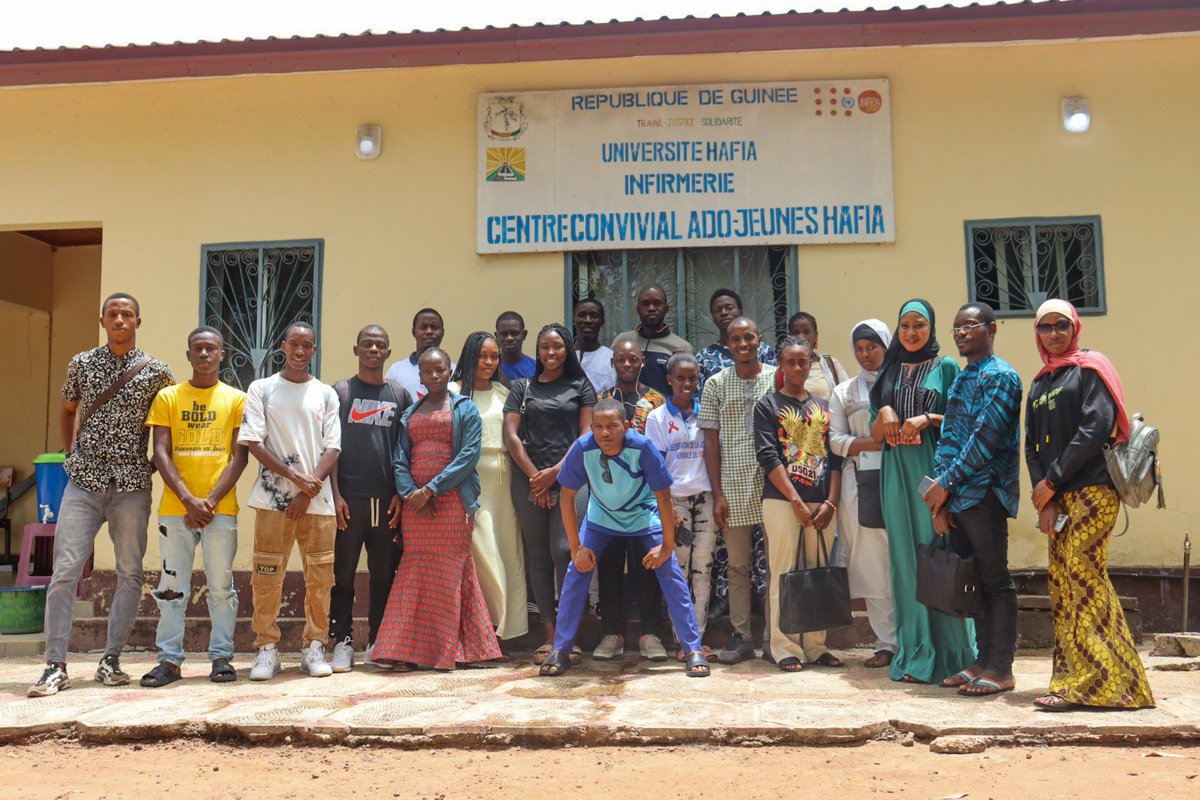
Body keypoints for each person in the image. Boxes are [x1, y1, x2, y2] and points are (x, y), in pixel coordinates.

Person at [29, 293, 175, 698]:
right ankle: (55, 665)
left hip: (131, 485)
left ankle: (111, 659)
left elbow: (166, 427)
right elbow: (68, 409)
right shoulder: (82, 363)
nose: (120, 319)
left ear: (138, 322)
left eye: (127, 314)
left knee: (130, 572)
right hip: (84, 483)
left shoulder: (158, 373)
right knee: (65, 572)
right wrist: (71, 453)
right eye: (113, 314)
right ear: (103, 320)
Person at [1024, 299, 1154, 712]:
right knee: (1064, 586)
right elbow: (1031, 445)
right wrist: (1043, 496)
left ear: (1075, 327)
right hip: (1058, 499)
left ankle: (1101, 681)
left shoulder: (1089, 369)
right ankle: (1098, 682)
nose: (1055, 333)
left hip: (1093, 492)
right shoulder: (1041, 382)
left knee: (1083, 576)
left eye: (1062, 325)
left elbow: (1095, 426)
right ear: (1038, 333)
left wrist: (1052, 480)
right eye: (1046, 327)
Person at [538, 398, 711, 678]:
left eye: (612, 426)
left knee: (670, 571)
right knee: (577, 571)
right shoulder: (583, 448)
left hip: (643, 515)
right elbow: (567, 497)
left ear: (627, 426)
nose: (605, 433)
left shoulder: (642, 447)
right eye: (598, 427)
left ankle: (693, 649)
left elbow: (663, 497)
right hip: (601, 518)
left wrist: (666, 547)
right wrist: (576, 547)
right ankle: (560, 649)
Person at [373, 349, 502, 670]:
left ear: (449, 372)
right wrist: (410, 493)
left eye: (440, 370)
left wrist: (432, 490)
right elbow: (400, 458)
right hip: (416, 507)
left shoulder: (464, 408)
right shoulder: (411, 412)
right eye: (428, 371)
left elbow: (469, 456)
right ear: (420, 376)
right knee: (414, 570)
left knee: (450, 569)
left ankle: (453, 649)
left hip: (452, 502)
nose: (433, 376)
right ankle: (405, 651)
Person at [870, 299, 975, 685]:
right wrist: (884, 413)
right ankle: (917, 655)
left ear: (931, 328)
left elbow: (964, 422)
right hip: (897, 474)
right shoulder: (889, 371)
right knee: (907, 561)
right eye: (905, 326)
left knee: (942, 556)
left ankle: (955, 654)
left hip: (936, 469)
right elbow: (875, 433)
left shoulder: (946, 367)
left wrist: (927, 418)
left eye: (920, 325)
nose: (911, 332)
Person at [922, 302, 1023, 697]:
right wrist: (941, 502)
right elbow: (950, 439)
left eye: (970, 326)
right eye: (956, 328)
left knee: (996, 580)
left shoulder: (1002, 377)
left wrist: (947, 483)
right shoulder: (964, 378)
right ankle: (983, 660)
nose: (962, 333)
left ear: (992, 328)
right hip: (959, 495)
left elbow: (986, 438)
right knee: (975, 581)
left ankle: (1002, 667)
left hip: (986, 493)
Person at [139, 326, 248, 688]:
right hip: (175, 509)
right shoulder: (168, 397)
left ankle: (221, 657)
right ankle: (169, 660)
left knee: (221, 587)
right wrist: (188, 499)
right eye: (197, 349)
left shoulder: (236, 399)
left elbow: (239, 457)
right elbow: (160, 453)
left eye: (211, 349)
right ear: (188, 355)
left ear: (222, 354)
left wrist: (210, 501)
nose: (204, 354)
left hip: (221, 510)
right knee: (172, 588)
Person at [239, 322, 341, 681]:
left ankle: (314, 647)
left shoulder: (326, 394)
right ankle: (266, 648)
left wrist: (305, 491)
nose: (300, 351)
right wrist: (296, 481)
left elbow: (333, 447)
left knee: (320, 578)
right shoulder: (262, 389)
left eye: (307, 346)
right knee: (266, 575)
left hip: (318, 502)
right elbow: (254, 442)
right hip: (272, 500)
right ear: (282, 346)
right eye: (294, 344)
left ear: (315, 350)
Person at [503, 323, 597, 664]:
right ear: (538, 351)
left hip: (571, 478)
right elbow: (511, 436)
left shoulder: (580, 386)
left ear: (567, 350)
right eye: (545, 347)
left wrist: (555, 474)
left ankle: (570, 631)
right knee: (538, 555)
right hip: (528, 480)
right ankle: (550, 635)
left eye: (557, 347)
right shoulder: (521, 387)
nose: (551, 352)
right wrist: (535, 479)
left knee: (566, 550)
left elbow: (586, 434)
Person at [754, 335, 844, 672]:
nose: (796, 367)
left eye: (802, 361)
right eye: (790, 361)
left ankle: (816, 645)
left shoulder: (823, 407)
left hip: (821, 504)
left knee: (818, 571)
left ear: (810, 364)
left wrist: (831, 502)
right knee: (785, 573)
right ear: (781, 364)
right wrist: (794, 500)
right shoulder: (767, 405)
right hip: (781, 502)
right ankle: (784, 646)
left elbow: (836, 458)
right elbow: (768, 456)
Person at [329, 325, 410, 672]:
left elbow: (407, 450)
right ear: (356, 349)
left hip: (385, 501)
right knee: (343, 576)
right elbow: (330, 448)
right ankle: (342, 641)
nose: (373, 349)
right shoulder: (341, 392)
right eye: (367, 344)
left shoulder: (400, 395)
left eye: (379, 345)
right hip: (349, 501)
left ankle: (379, 641)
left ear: (389, 352)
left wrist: (400, 493)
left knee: (382, 577)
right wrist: (334, 495)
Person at [698, 317, 777, 665]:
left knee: (777, 564)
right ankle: (742, 636)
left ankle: (777, 638)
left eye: (749, 337)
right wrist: (717, 493)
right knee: (738, 566)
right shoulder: (715, 384)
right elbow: (710, 443)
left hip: (774, 484)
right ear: (727, 344)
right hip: (732, 485)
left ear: (760, 340)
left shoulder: (778, 377)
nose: (743, 344)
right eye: (736, 339)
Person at [451, 331, 529, 649]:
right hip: (469, 483)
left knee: (508, 549)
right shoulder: (453, 393)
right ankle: (481, 627)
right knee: (480, 550)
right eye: (482, 355)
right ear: (470, 356)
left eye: (493, 356)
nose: (488, 362)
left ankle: (507, 628)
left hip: (504, 482)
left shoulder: (504, 392)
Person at [594, 334, 668, 661]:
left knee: (647, 565)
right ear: (612, 363)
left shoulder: (656, 401)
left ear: (642, 362)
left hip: (644, 500)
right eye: (621, 359)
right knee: (609, 566)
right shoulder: (601, 401)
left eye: (633, 359)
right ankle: (611, 633)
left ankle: (650, 634)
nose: (627, 364)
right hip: (608, 499)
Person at [828, 319, 897, 669]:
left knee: (905, 558)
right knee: (871, 564)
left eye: (873, 347)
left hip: (901, 478)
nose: (866, 354)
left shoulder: (902, 382)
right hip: (860, 484)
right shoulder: (844, 392)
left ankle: (916, 638)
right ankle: (886, 643)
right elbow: (834, 440)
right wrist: (873, 442)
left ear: (886, 346)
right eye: (860, 348)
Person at [645, 352, 718, 660]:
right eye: (680, 378)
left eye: (692, 379)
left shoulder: (707, 414)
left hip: (706, 499)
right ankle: (682, 641)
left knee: (704, 568)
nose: (686, 384)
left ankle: (697, 640)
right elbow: (656, 466)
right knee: (680, 569)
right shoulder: (657, 418)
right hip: (673, 502)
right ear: (669, 380)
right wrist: (666, 510)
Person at [696, 288, 775, 392]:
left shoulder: (762, 350)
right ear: (713, 318)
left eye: (729, 308)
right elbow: (698, 396)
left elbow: (776, 387)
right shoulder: (703, 357)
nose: (723, 313)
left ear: (740, 312)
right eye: (718, 310)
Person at [620, 285, 692, 396]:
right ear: (638, 309)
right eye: (645, 304)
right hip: (625, 411)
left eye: (657, 303)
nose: (651, 308)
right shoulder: (622, 341)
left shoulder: (681, 347)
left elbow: (687, 389)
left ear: (666, 309)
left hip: (665, 412)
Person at [385, 308, 456, 399]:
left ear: (442, 332)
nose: (429, 331)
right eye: (423, 327)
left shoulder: (455, 370)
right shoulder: (396, 371)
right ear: (413, 332)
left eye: (434, 327)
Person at [784, 312, 848, 401]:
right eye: (796, 332)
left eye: (807, 332)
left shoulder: (831, 364)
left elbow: (847, 398)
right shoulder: (782, 367)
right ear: (789, 336)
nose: (801, 336)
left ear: (816, 335)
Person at [573, 297, 616, 394]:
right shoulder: (563, 357)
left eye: (594, 316)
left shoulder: (611, 359)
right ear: (574, 320)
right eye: (582, 315)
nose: (588, 320)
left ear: (602, 322)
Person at [495, 311, 536, 382]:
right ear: (496, 336)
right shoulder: (488, 369)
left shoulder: (537, 369)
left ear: (524, 335)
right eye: (504, 334)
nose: (509, 338)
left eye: (515, 333)